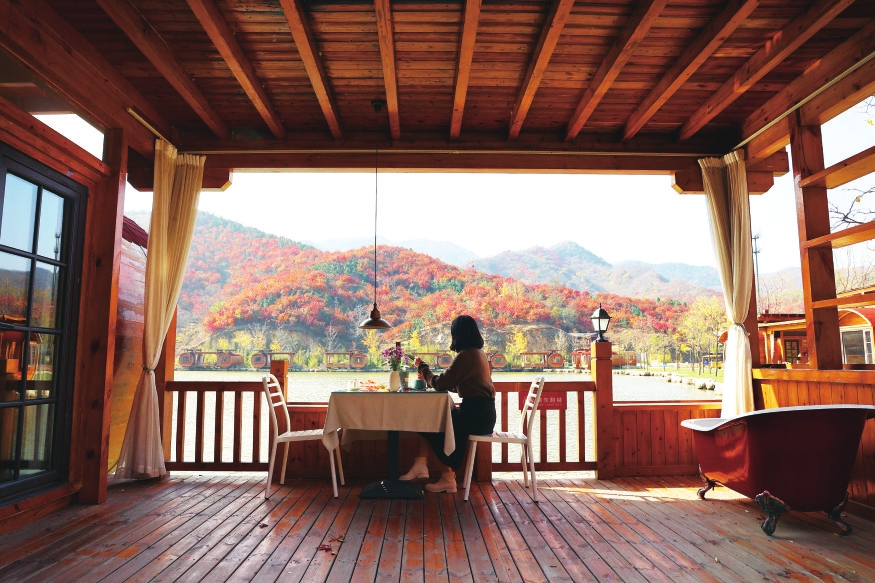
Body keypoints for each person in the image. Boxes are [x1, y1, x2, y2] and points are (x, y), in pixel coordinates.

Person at [401, 314, 496, 492]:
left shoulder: (466, 355)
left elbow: (441, 384)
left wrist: (423, 367)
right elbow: (467, 385)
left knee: (432, 421)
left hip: (476, 416)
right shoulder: (478, 354)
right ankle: (434, 471)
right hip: (484, 414)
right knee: (434, 420)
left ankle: (441, 474)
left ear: (458, 334)